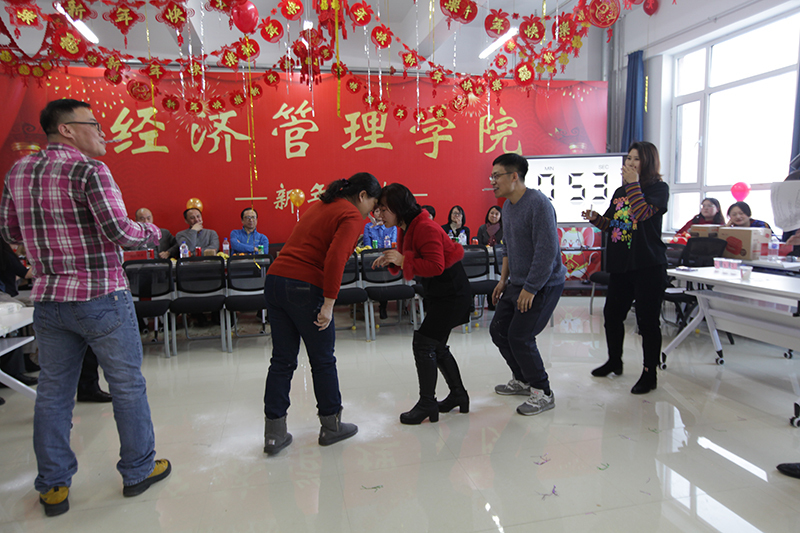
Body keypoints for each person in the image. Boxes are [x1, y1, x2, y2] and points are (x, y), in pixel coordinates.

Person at [0, 99, 170, 517]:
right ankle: (137, 470)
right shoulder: (90, 170)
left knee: (53, 394)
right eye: (93, 124)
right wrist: (154, 232)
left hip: (50, 300)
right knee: (126, 384)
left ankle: (53, 486)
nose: (102, 132)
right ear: (67, 129)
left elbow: (10, 231)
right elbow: (120, 231)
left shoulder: (18, 172)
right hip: (100, 295)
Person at [262, 172, 380, 455]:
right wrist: (328, 303)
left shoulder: (322, 205)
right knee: (323, 359)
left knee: (281, 360)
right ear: (362, 196)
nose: (372, 213)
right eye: (373, 205)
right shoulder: (351, 215)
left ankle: (274, 434)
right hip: (304, 287)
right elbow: (335, 258)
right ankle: (332, 425)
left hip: (275, 281)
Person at [371, 184, 472, 424]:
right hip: (440, 292)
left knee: (424, 343)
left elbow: (435, 265)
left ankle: (428, 403)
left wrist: (402, 259)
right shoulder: (406, 227)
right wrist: (392, 260)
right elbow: (412, 260)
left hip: (452, 292)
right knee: (436, 346)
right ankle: (458, 394)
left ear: (398, 208)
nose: (379, 214)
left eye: (384, 209)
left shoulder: (425, 226)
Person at [582, 141, 669, 395]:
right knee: (612, 315)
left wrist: (633, 184)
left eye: (636, 159)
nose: (630, 163)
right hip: (622, 265)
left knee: (647, 322)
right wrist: (596, 219)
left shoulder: (658, 188)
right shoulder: (620, 191)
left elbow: (642, 214)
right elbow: (613, 225)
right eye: (628, 158)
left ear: (648, 162)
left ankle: (649, 374)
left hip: (648, 264)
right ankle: (614, 361)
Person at [489, 153, 566, 416]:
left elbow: (547, 252)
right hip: (517, 282)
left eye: (497, 176)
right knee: (499, 331)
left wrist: (531, 288)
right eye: (491, 176)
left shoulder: (538, 204)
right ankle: (522, 379)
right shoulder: (508, 207)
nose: (493, 181)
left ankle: (543, 392)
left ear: (514, 176)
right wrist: (503, 280)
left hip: (544, 283)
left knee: (520, 336)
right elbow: (508, 248)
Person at [363, 209, 397, 319]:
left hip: (387, 258)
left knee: (384, 273)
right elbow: (367, 246)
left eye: (382, 211)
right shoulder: (369, 227)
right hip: (372, 259)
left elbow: (393, 244)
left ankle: (383, 305)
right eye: (377, 211)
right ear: (373, 213)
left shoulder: (392, 227)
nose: (379, 214)